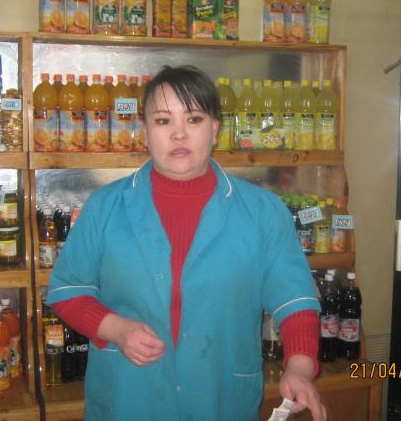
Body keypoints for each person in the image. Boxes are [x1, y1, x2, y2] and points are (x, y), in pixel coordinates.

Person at [47, 65, 326, 420]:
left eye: (194, 119)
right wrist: (116, 329)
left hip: (220, 398)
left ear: (215, 129)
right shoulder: (105, 206)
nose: (179, 134)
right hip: (130, 396)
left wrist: (300, 368)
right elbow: (67, 290)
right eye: (163, 121)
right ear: (144, 131)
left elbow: (295, 297)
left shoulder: (262, 211)